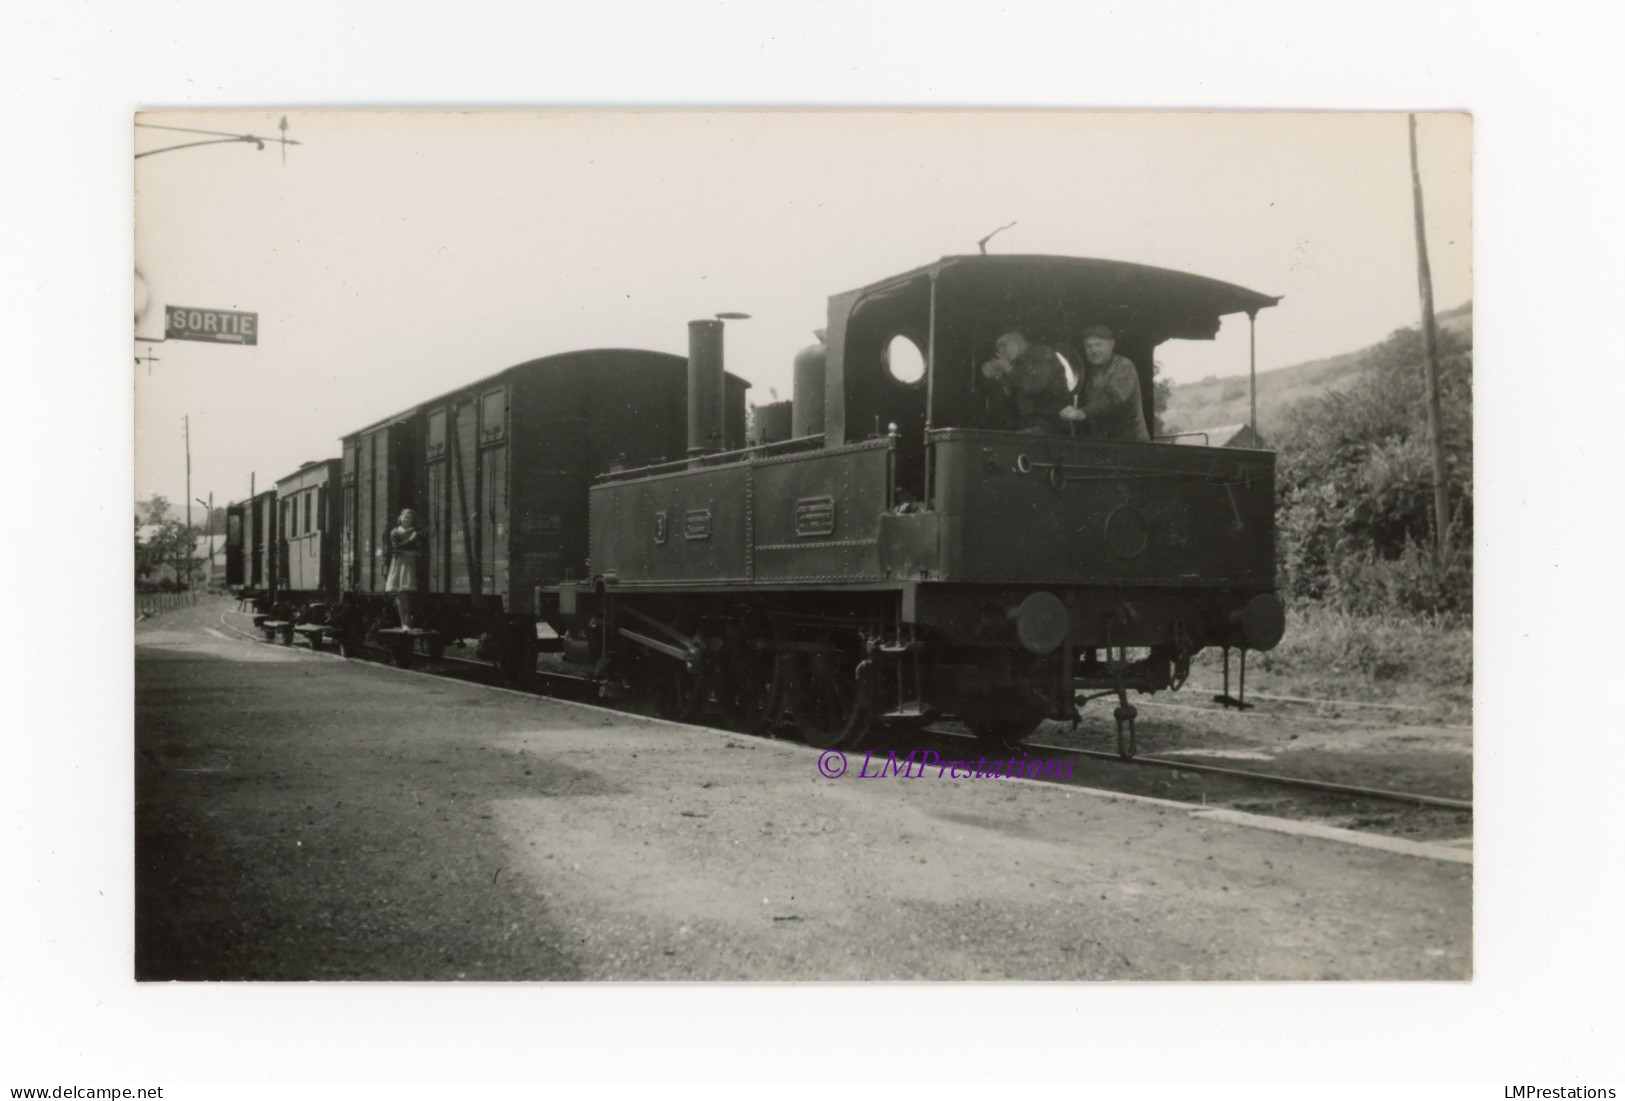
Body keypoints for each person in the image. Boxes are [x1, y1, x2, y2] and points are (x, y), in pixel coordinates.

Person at [1060, 324, 1151, 442]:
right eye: (1088, 346)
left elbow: (1113, 398)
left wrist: (1082, 412)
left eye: (1098, 345)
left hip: (1132, 445)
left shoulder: (1124, 365)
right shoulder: (1094, 373)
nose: (1093, 350)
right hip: (1108, 444)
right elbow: (1089, 403)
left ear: (1111, 345)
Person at [980, 330, 1071, 433]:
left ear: (1017, 340)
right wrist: (999, 376)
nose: (1001, 351)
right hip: (1029, 424)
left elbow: (1033, 386)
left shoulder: (1042, 353)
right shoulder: (1018, 363)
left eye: (1003, 345)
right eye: (998, 348)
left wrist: (1009, 369)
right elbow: (1010, 397)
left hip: (1050, 424)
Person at [383, 508, 425, 628]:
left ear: (413, 520)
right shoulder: (395, 532)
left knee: (409, 594)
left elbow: (419, 547)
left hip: (412, 563)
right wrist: (411, 540)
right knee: (401, 593)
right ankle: (404, 622)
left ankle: (409, 621)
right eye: (405, 517)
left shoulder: (415, 531)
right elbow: (396, 548)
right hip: (400, 564)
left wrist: (411, 546)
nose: (407, 519)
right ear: (400, 519)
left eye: (410, 518)